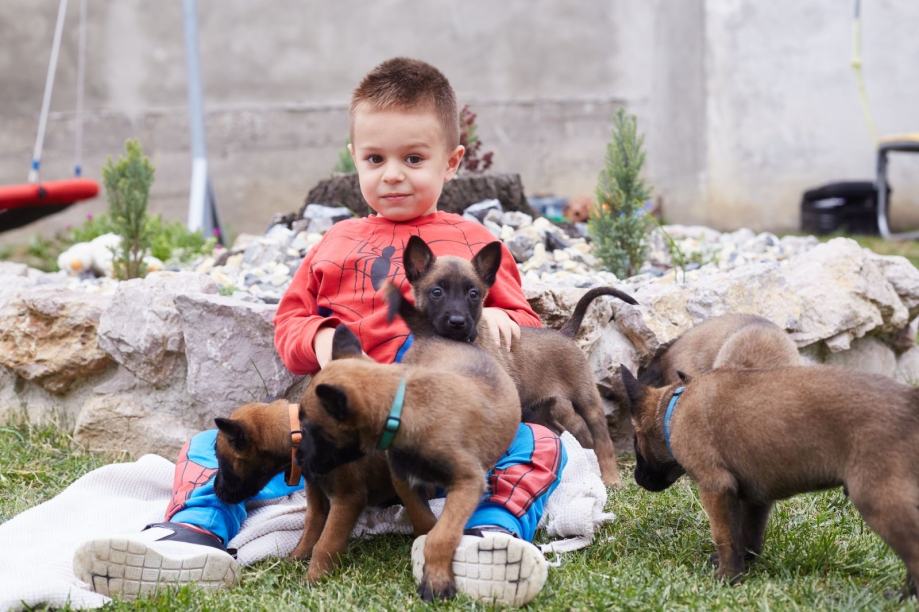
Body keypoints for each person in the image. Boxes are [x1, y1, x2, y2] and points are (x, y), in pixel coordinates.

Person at [74, 57, 566, 607]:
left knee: (538, 442)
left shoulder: (471, 241)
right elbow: (290, 321)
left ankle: (486, 535)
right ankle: (191, 534)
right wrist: (321, 339)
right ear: (354, 157)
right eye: (375, 159)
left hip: (439, 432)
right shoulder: (336, 242)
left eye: (413, 158)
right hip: (340, 437)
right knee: (213, 447)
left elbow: (523, 334)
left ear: (452, 162)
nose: (393, 174)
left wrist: (501, 316)